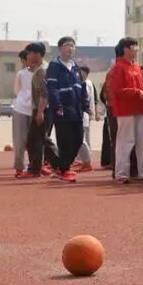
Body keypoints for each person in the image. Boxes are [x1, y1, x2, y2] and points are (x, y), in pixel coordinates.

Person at [108, 37, 143, 185]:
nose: (137, 49)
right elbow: (117, 90)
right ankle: (122, 173)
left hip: (141, 108)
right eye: (134, 47)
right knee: (125, 141)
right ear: (126, 49)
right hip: (125, 110)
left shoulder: (136, 67)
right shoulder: (118, 67)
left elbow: (142, 86)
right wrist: (138, 93)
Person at [46, 36, 90, 182]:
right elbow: (51, 88)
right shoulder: (54, 66)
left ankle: (61, 166)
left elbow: (81, 87)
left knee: (78, 139)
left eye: (72, 46)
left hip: (76, 110)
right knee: (65, 141)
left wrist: (85, 105)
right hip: (62, 109)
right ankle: (64, 170)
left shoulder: (76, 67)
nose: (70, 48)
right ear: (60, 48)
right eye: (66, 45)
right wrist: (57, 106)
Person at [25, 43, 60, 178]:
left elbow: (44, 93)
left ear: (37, 54)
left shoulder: (42, 71)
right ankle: (58, 165)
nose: (28, 56)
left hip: (42, 109)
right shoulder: (42, 69)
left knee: (35, 140)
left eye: (29, 53)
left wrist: (40, 112)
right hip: (44, 108)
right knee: (42, 139)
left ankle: (35, 169)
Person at [11, 50, 35, 178]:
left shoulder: (42, 72)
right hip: (21, 108)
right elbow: (17, 91)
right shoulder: (21, 74)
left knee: (34, 140)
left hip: (35, 109)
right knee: (19, 139)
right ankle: (19, 166)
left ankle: (35, 165)